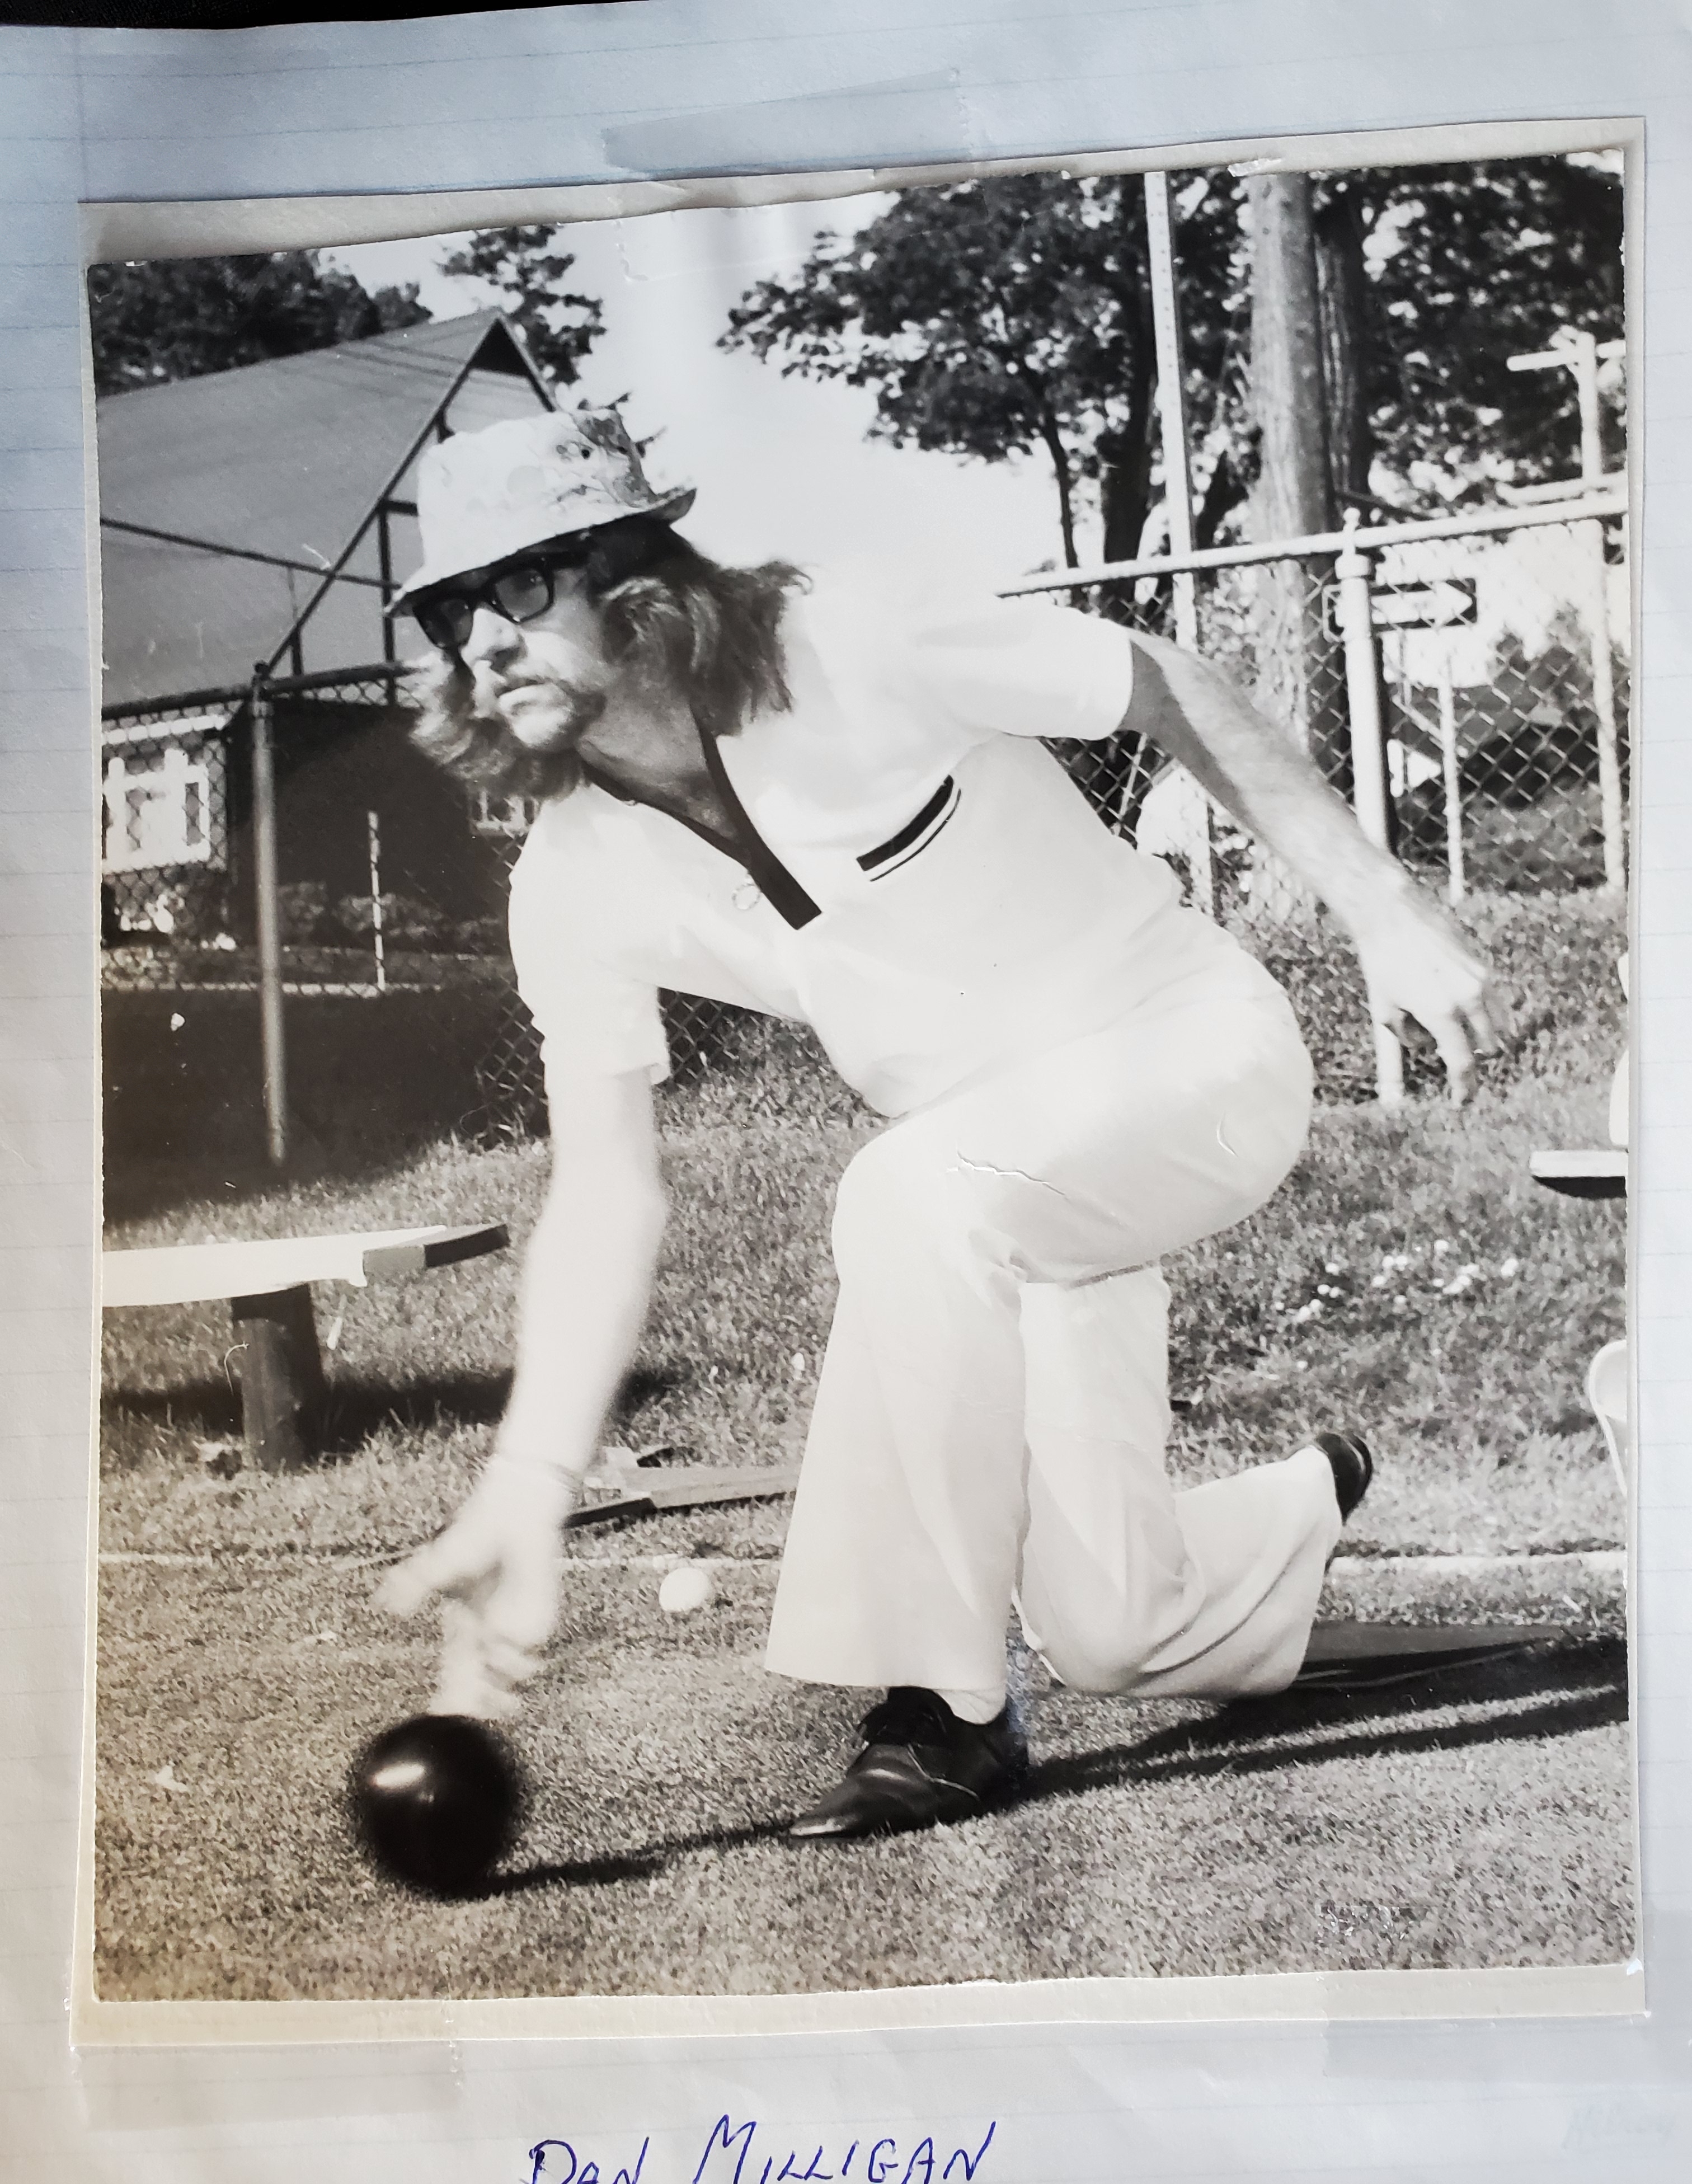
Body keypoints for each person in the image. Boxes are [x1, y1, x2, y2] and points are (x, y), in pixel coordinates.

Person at [376, 408, 1503, 1839]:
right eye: (445, 609)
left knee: (904, 1195)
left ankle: (941, 1706)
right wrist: (530, 1484)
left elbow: (1161, 678)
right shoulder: (571, 877)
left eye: (514, 588)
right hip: (1005, 1198)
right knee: (1114, 1636)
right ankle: (1291, 1512)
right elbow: (607, 1191)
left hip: (1188, 1057)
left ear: (633, 575)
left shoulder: (856, 643)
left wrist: (1381, 908)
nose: (477, 640)